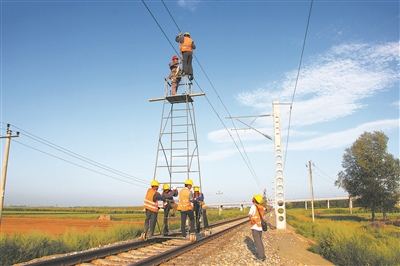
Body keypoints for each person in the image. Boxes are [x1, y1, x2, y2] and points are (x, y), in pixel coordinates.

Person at [248, 194, 266, 261]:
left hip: (255, 226)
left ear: (255, 200)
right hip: (260, 226)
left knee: (257, 242)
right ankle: (263, 255)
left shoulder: (253, 206)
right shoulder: (261, 207)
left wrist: (252, 221)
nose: (252, 199)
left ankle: (260, 257)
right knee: (260, 241)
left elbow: (250, 215)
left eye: (253, 198)